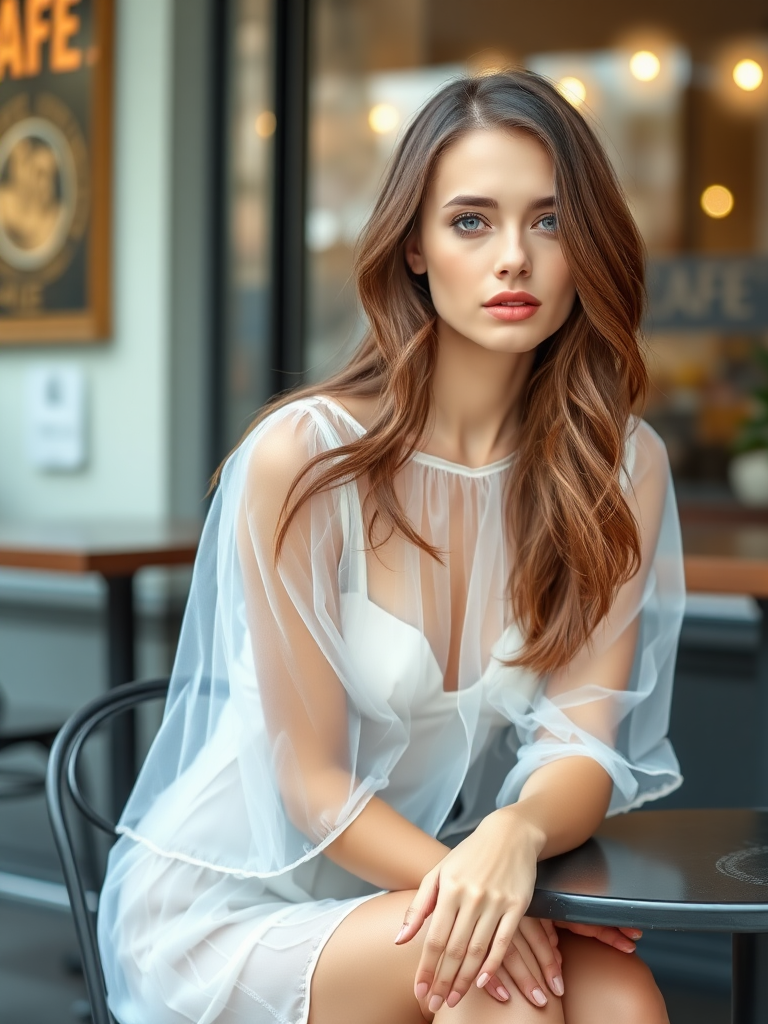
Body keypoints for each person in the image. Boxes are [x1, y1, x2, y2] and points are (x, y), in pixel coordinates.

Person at [97, 69, 685, 1024]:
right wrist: (481, 890)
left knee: (621, 994)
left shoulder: (620, 466)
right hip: (232, 898)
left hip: (419, 878)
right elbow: (311, 784)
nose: (513, 260)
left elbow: (581, 745)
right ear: (412, 246)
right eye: (470, 221)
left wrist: (516, 837)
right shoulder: (305, 458)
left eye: (548, 221)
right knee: (500, 989)